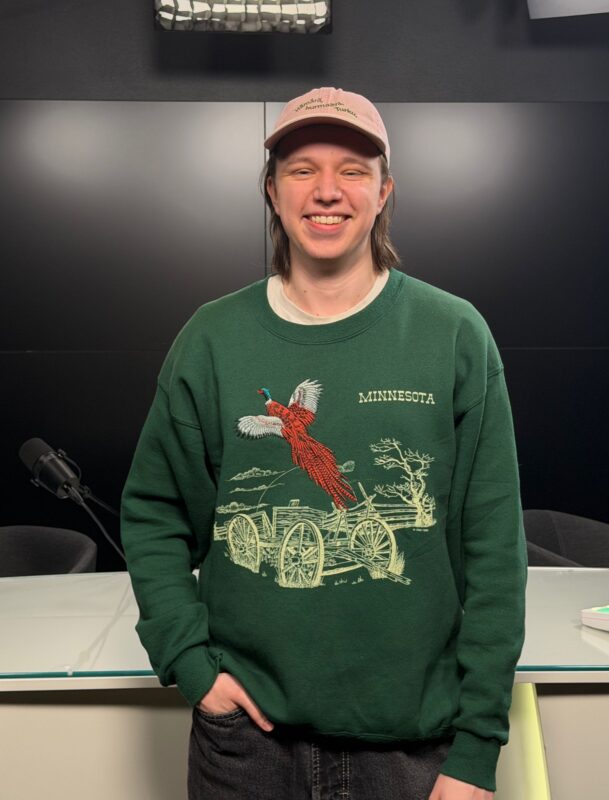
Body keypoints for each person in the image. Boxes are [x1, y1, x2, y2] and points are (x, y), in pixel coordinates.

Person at [120, 87, 527, 800]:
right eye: (302, 169)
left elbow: (494, 550)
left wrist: (476, 748)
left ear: (384, 191)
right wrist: (190, 662)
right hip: (245, 745)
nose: (327, 191)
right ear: (272, 192)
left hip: (411, 747)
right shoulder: (211, 340)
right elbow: (155, 514)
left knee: (337, 486)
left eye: (353, 170)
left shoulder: (453, 334)